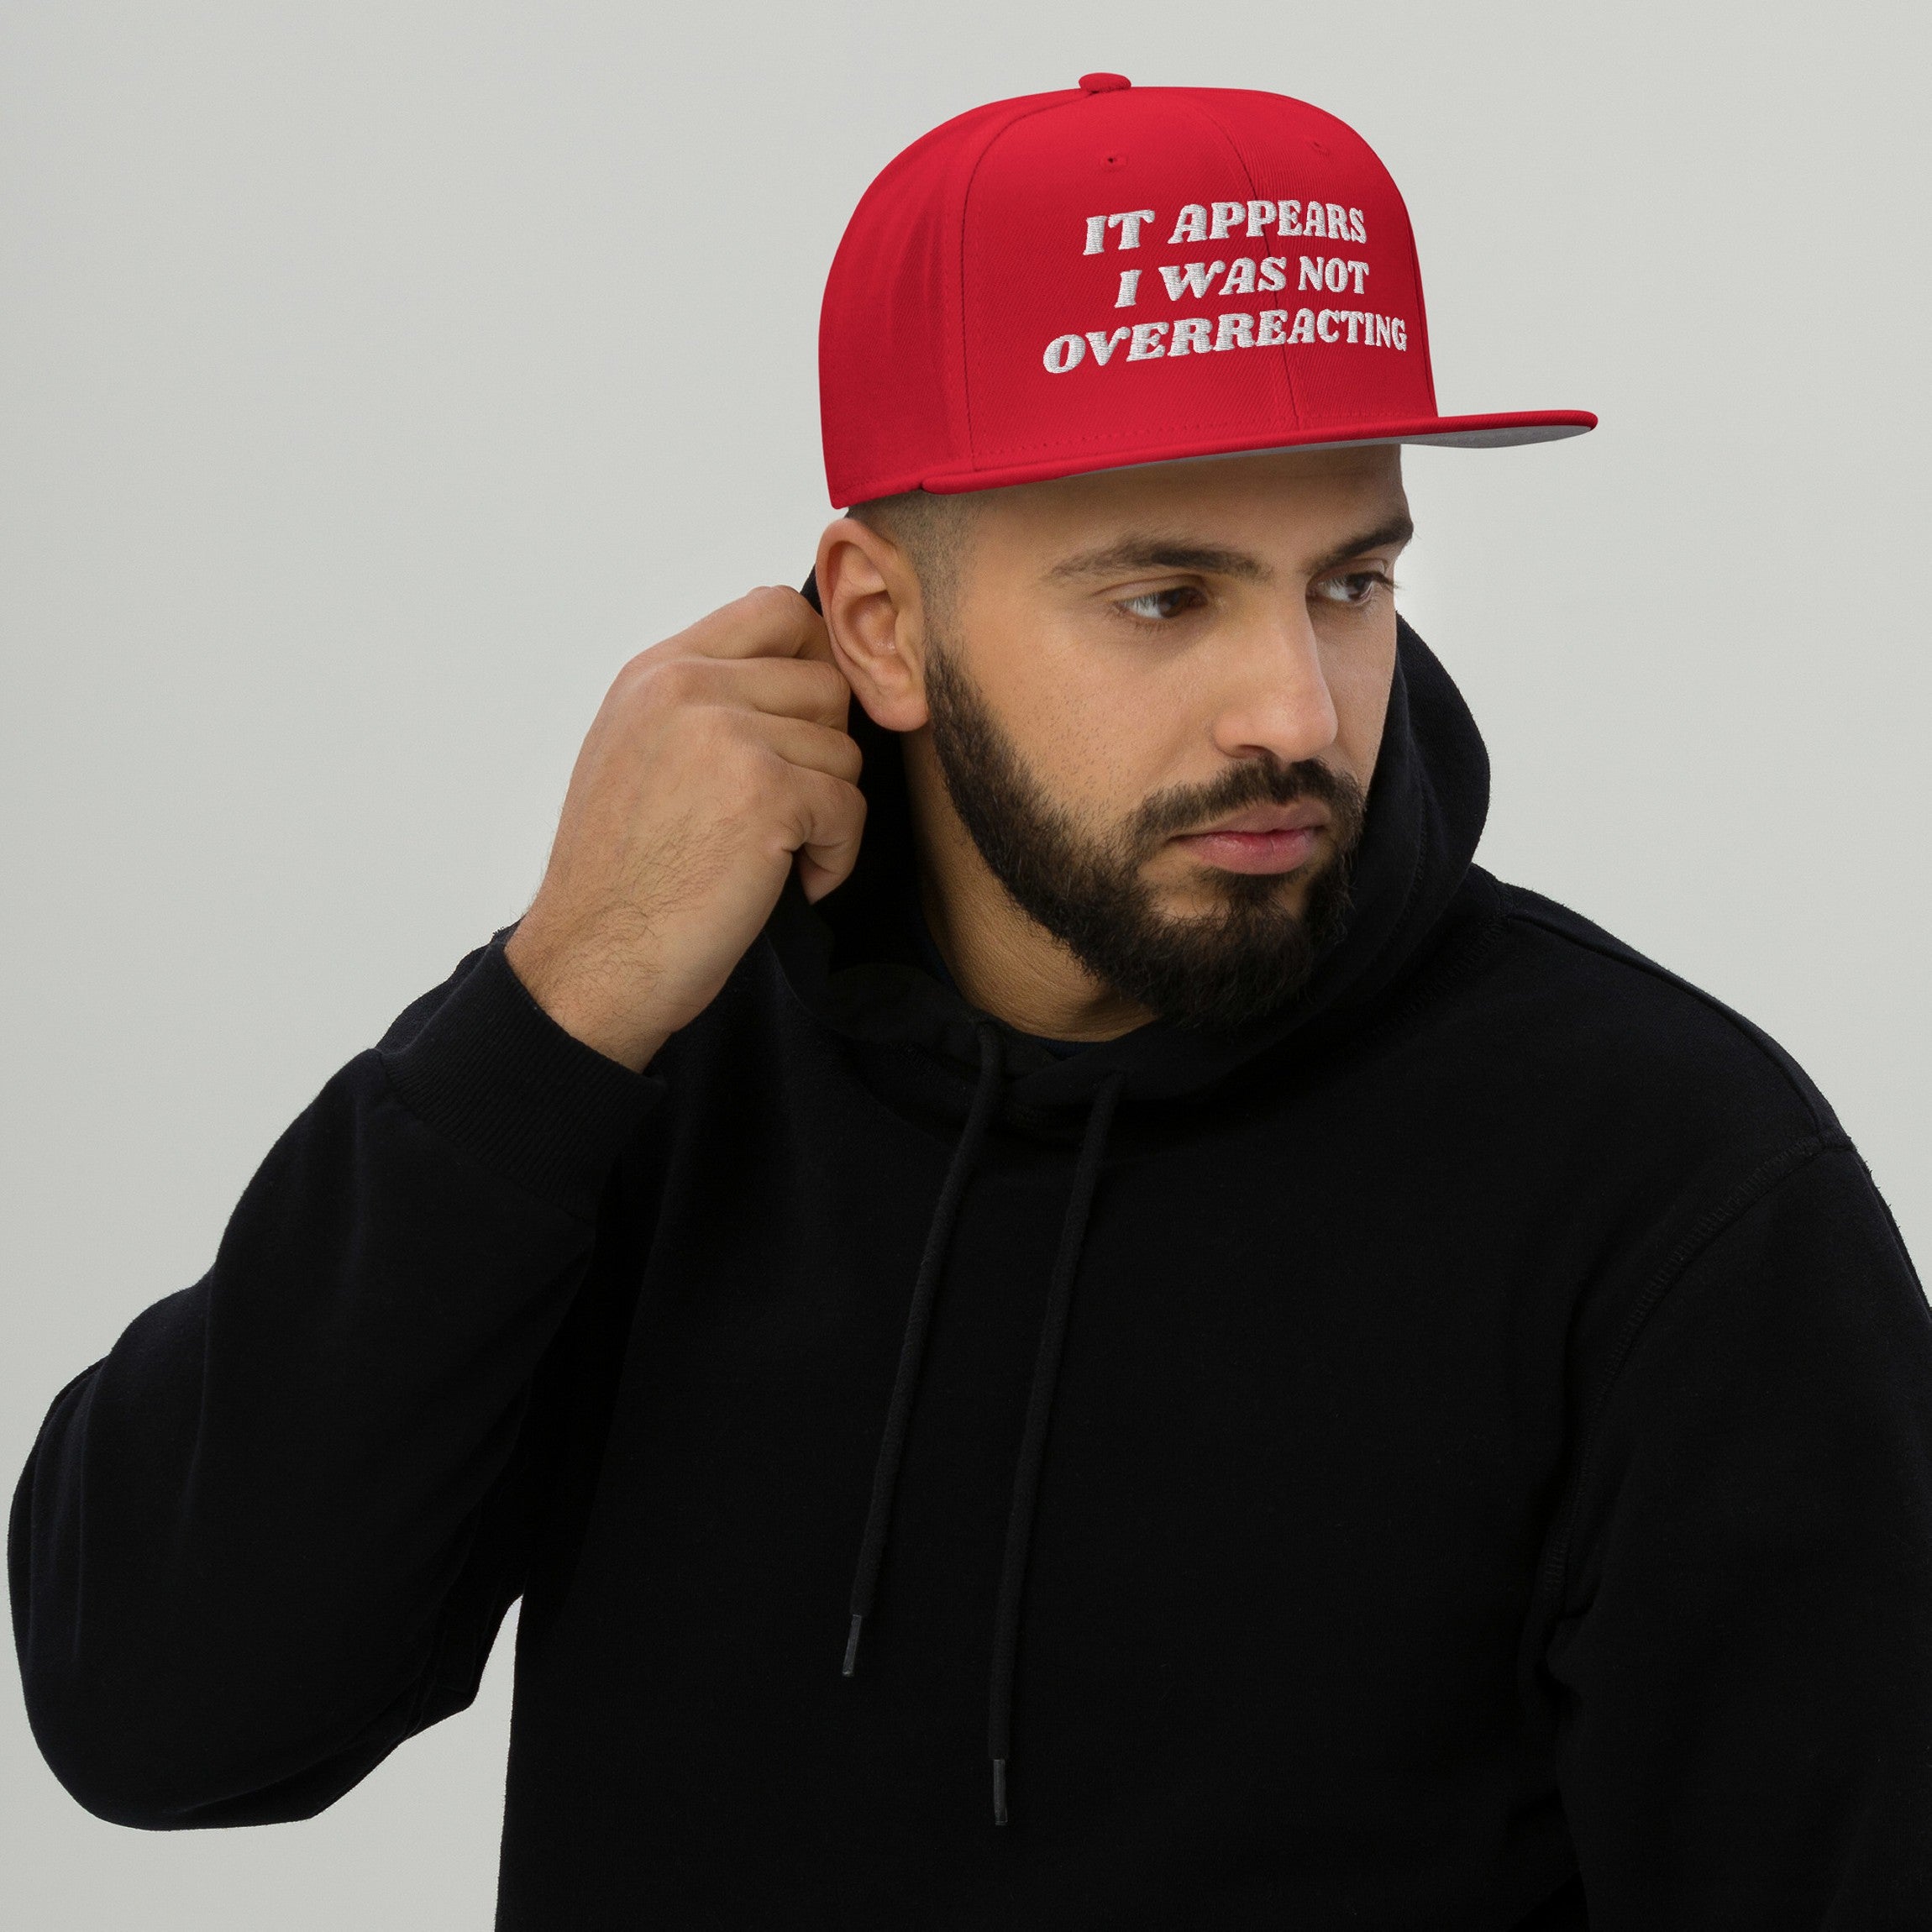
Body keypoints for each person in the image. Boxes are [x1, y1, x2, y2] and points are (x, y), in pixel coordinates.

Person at [12, 74, 1932, 1932]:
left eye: (1348, 583)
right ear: (881, 627)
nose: (1293, 707)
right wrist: (558, 1000)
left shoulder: (1664, 1182)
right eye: (1165, 598)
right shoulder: (640, 1069)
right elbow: (163, 1713)